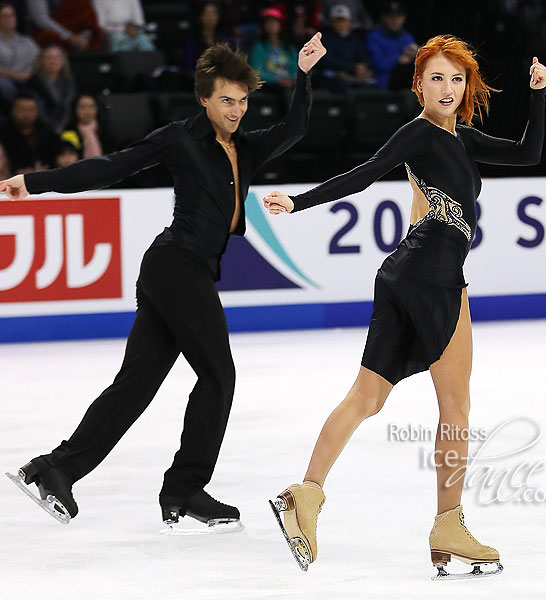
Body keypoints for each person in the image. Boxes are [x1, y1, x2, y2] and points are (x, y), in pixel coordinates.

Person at [0, 36, 326, 530]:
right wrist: (36, 182)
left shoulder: (245, 148)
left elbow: (297, 126)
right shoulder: (181, 138)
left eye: (242, 101)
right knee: (219, 376)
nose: (236, 111)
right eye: (226, 101)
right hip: (176, 267)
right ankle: (185, 487)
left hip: (181, 272)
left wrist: (303, 74)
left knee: (135, 386)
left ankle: (56, 468)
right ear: (203, 99)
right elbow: (112, 167)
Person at [263, 35, 546, 577]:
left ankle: (306, 494)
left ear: (466, 87)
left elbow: (528, 153)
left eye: (456, 79)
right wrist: (299, 201)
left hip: (402, 273)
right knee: (456, 410)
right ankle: (449, 523)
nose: (447, 88)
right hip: (433, 277)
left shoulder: (461, 140)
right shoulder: (418, 134)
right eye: (436, 78)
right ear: (418, 84)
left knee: (367, 397)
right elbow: (365, 173)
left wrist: (537, 94)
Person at [318, 4, 374, 93]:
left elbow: (364, 56)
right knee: (340, 84)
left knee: (370, 84)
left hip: (354, 73)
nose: (341, 24)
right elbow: (328, 60)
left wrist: (363, 66)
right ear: (332, 22)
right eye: (337, 21)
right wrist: (352, 67)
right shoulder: (325, 39)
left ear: (349, 22)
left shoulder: (355, 39)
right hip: (336, 74)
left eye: (343, 21)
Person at [0, 93, 59, 173]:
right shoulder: (3, 132)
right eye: (21, 110)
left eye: (31, 110)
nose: (26, 114)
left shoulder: (47, 131)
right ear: (12, 110)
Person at [366, 2, 417, 90]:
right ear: (384, 18)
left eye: (398, 17)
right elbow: (378, 63)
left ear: (403, 18)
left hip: (408, 81)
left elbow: (414, 51)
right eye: (391, 17)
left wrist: (416, 54)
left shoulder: (406, 37)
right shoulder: (375, 37)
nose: (395, 20)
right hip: (384, 80)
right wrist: (398, 59)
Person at [25, 45, 76, 133]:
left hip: (66, 126)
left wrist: (62, 125)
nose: (53, 61)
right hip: (42, 128)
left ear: (63, 61)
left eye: (57, 57)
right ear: (41, 61)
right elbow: (38, 111)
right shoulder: (33, 83)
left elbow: (69, 106)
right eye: (49, 58)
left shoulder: (68, 81)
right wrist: (54, 128)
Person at [250, 8, 298, 92]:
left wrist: (291, 79)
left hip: (290, 84)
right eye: (268, 22)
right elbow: (257, 72)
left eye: (275, 21)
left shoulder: (289, 48)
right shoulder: (259, 48)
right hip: (269, 85)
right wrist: (277, 80)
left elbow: (297, 69)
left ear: (281, 25)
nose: (271, 24)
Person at [0, 2, 39, 106]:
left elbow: (39, 61)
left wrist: (30, 74)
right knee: (4, 85)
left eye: (12, 15)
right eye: (5, 16)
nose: (10, 18)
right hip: (6, 81)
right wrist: (15, 75)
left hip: (29, 79)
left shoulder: (27, 41)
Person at [26, 0, 104, 51]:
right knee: (48, 36)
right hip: (54, 33)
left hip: (80, 36)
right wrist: (69, 36)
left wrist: (84, 36)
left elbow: (88, 18)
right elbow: (41, 20)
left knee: (99, 35)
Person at [63, 93, 113, 159]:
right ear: (75, 109)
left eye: (92, 106)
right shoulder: (68, 131)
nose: (88, 111)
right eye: (83, 107)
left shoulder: (105, 129)